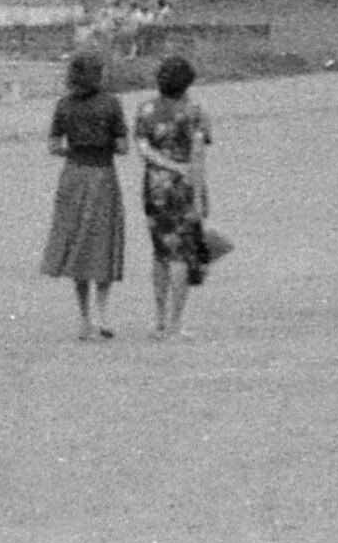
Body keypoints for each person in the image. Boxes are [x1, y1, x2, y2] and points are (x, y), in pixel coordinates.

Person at [40, 52, 129, 340]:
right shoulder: (111, 104)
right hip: (102, 174)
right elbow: (123, 146)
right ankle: (103, 314)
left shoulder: (64, 105)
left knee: (78, 244)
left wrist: (74, 149)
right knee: (102, 243)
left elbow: (54, 145)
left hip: (74, 174)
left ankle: (84, 317)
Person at [134, 55, 214, 341]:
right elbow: (197, 154)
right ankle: (175, 324)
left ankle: (158, 319)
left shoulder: (146, 109)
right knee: (181, 254)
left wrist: (163, 165)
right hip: (183, 187)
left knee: (160, 253)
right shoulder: (194, 112)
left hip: (153, 187)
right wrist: (200, 191)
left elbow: (143, 148)